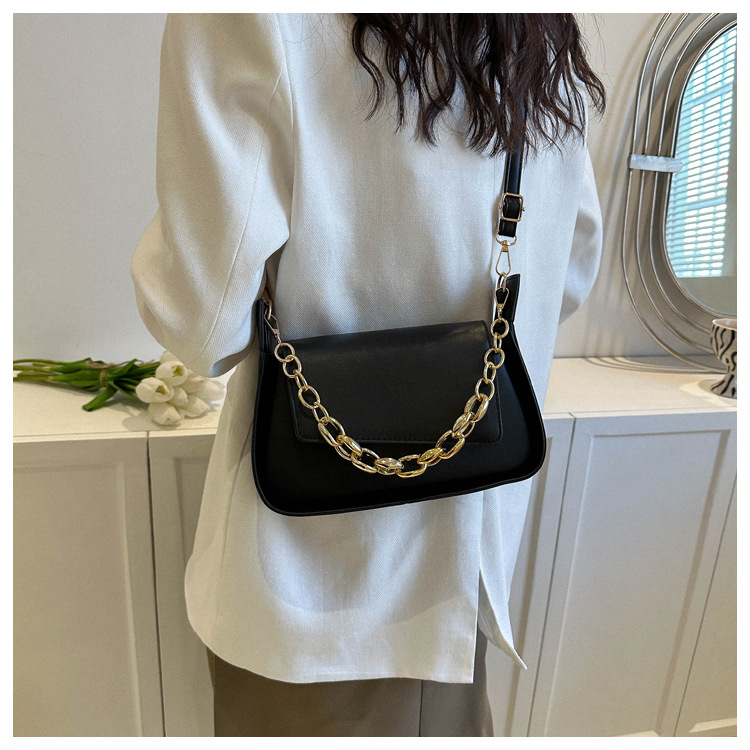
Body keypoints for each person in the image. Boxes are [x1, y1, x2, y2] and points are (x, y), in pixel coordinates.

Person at [131, 13, 605, 737]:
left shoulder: (251, 18)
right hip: (464, 568)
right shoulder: (539, 37)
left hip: (316, 593)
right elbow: (570, 272)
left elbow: (200, 320)